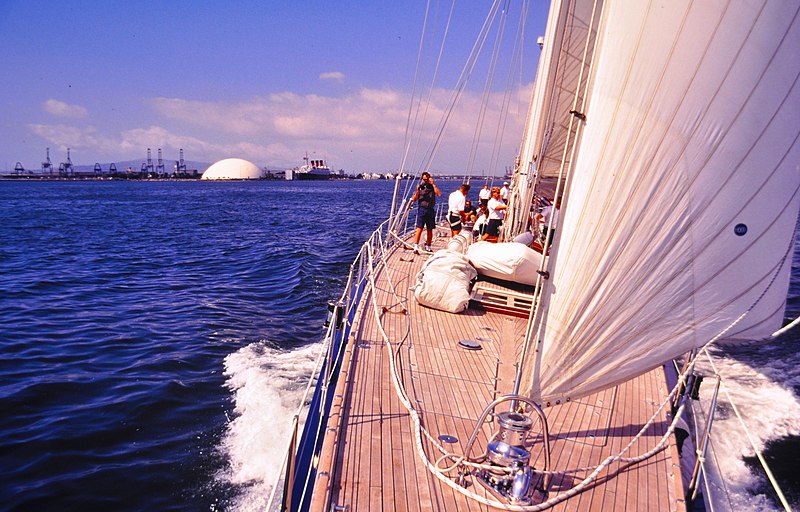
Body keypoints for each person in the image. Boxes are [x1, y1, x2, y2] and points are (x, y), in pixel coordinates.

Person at [410, 171, 441, 253]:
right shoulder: (420, 188)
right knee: (419, 228)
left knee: (429, 229)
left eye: (426, 179)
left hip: (430, 210)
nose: (425, 181)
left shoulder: (432, 187)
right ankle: (416, 247)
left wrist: (433, 184)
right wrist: (417, 190)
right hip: (422, 209)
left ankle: (428, 246)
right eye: (424, 179)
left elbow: (439, 194)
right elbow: (414, 199)